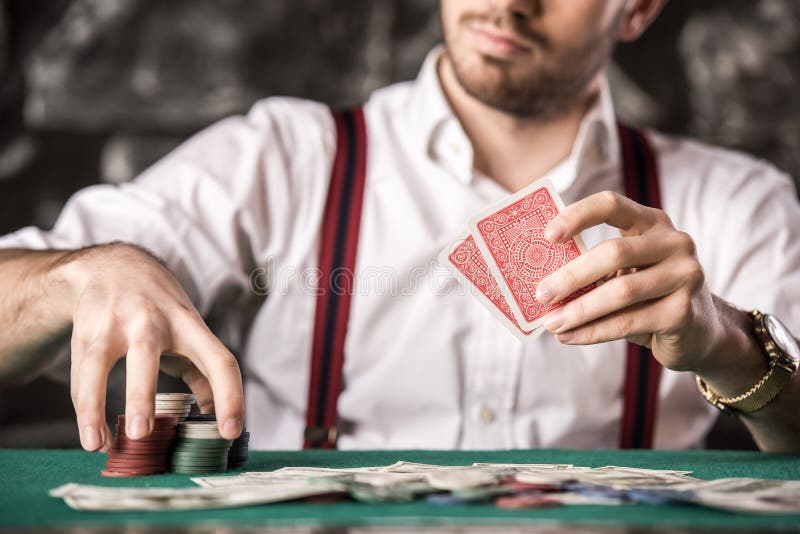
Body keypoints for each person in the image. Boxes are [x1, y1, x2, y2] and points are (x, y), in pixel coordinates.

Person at [0, 0, 798, 453]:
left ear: (640, 10)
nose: (510, 3)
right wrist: (79, 276)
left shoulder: (739, 201)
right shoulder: (284, 156)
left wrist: (731, 346)